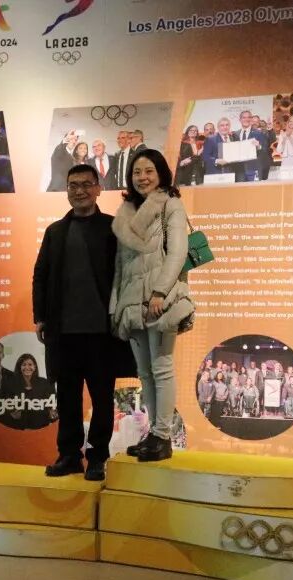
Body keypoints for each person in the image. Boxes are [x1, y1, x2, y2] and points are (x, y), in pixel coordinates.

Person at [33, 163, 136, 481]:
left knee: (102, 398)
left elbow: (128, 273)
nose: (80, 191)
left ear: (98, 188)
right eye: (73, 185)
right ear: (67, 190)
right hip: (63, 332)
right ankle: (69, 455)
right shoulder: (55, 232)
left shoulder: (113, 228)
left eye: (86, 184)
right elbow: (40, 275)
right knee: (67, 398)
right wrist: (40, 317)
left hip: (102, 333)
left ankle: (97, 458)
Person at [110, 149, 194, 462]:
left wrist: (160, 292)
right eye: (136, 172)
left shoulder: (171, 204)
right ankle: (152, 436)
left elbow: (177, 253)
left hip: (160, 300)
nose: (142, 177)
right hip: (132, 303)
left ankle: (162, 436)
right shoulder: (126, 212)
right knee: (144, 373)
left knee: (162, 368)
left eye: (148, 171)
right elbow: (120, 265)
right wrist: (116, 306)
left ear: (160, 174)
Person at [14, 353, 57, 430]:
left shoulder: (46, 383)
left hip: (41, 428)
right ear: (19, 367)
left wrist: (53, 415)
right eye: (24, 364)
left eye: (30, 364)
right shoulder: (12, 385)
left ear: (34, 367)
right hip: (19, 429)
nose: (27, 367)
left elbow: (53, 408)